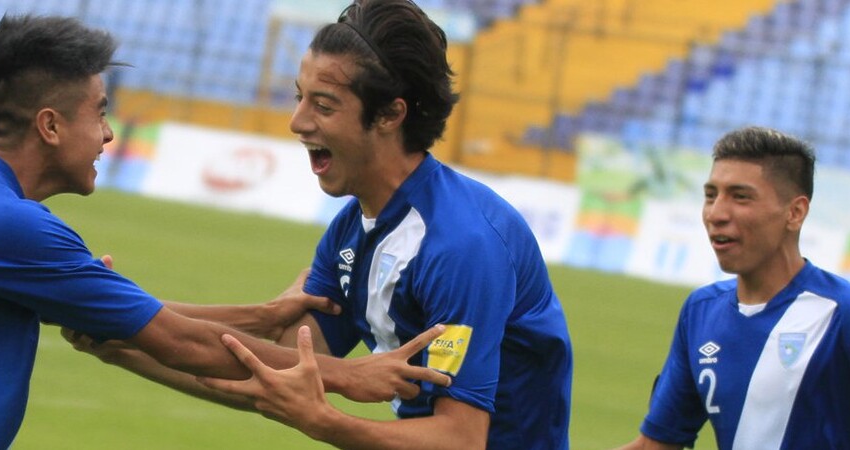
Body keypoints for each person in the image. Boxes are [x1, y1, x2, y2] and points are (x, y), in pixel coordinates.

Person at [0, 15, 450, 449]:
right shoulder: (4, 223)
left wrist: (264, 314)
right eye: (99, 112)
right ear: (51, 126)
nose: (109, 133)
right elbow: (173, 340)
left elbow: (132, 314)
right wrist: (346, 374)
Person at [66, 1, 573, 448]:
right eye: (298, 96)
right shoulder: (353, 231)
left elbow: (458, 440)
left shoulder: (462, 247)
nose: (297, 121)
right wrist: (124, 345)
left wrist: (325, 422)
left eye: (323, 105)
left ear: (390, 115)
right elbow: (272, 371)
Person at [619, 127, 850, 449]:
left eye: (740, 197)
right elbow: (656, 444)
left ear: (795, 213)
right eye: (710, 195)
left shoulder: (847, 313)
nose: (716, 213)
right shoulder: (699, 313)